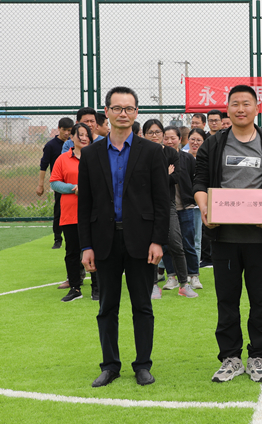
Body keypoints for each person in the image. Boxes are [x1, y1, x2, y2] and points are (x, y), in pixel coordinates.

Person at [193, 84, 262, 383]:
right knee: (227, 300)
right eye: (235, 103)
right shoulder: (214, 144)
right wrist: (205, 209)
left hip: (259, 237)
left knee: (260, 300)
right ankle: (231, 357)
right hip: (223, 236)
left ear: (257, 108)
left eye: (247, 103)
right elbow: (200, 181)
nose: (240, 109)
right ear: (228, 109)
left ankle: (257, 355)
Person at [78, 86, 170, 388]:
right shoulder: (91, 154)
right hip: (104, 241)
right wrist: (86, 245)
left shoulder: (152, 152)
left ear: (136, 112)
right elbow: (85, 205)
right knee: (107, 307)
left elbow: (161, 202)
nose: (123, 113)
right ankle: (110, 365)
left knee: (142, 306)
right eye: (117, 108)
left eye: (129, 108)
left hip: (142, 242)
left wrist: (158, 240)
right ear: (106, 112)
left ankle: (143, 365)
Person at [142, 119, 197, 299]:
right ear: (144, 134)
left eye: (158, 132)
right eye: (150, 132)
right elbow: (139, 181)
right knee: (148, 245)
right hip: (145, 206)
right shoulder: (140, 153)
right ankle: (153, 286)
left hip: (167, 204)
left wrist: (159, 177)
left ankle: (184, 284)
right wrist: (164, 174)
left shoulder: (171, 153)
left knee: (175, 243)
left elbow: (176, 177)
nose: (155, 135)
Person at [50, 122, 98, 302]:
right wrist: (73, 188)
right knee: (72, 252)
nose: (84, 138)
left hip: (94, 213)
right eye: (80, 134)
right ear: (72, 137)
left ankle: (97, 287)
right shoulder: (62, 159)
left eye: (87, 135)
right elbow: (55, 183)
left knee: (96, 250)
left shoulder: (97, 157)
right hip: (70, 213)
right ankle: (75, 288)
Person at [163, 125, 202, 291]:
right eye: (166, 138)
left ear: (180, 139)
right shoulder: (159, 157)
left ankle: (193, 275)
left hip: (185, 206)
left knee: (188, 242)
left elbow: (195, 180)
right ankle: (171, 276)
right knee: (167, 244)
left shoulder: (187, 158)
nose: (169, 141)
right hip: (166, 207)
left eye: (173, 138)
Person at [37, 117, 73, 251]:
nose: (66, 133)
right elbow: (44, 165)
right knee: (58, 210)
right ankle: (58, 239)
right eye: (64, 130)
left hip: (74, 182)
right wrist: (40, 184)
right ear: (59, 129)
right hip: (59, 184)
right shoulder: (51, 145)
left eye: (69, 130)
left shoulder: (75, 144)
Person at [187, 128, 209, 270]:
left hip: (198, 205)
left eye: (199, 140)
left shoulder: (207, 158)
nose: (195, 143)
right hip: (184, 204)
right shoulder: (181, 156)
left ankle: (194, 271)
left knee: (196, 238)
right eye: (192, 139)